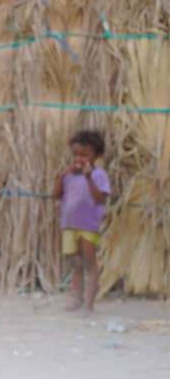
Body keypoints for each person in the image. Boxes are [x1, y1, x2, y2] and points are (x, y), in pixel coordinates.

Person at [52, 129, 110, 314]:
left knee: (89, 263)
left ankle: (89, 304)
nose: (79, 159)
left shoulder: (99, 175)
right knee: (75, 263)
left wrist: (88, 178)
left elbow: (100, 199)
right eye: (76, 154)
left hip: (88, 226)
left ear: (96, 156)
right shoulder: (68, 175)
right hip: (69, 225)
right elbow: (56, 194)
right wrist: (62, 175)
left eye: (85, 155)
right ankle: (76, 299)